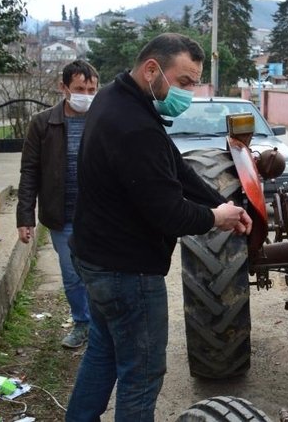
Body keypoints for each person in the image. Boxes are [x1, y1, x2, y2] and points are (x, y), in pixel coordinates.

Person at [65, 33, 252, 421]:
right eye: (184, 82)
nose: (189, 93)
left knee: (103, 351)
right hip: (126, 272)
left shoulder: (118, 99)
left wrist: (221, 202)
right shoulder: (134, 126)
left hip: (96, 260)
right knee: (142, 374)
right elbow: (169, 214)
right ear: (152, 69)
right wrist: (218, 219)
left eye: (195, 83)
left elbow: (175, 167)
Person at [16, 59, 99, 349]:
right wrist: (24, 216)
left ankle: (102, 327)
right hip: (63, 217)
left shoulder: (102, 118)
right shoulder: (42, 123)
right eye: (79, 88)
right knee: (72, 275)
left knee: (102, 273)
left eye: (91, 89)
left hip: (101, 216)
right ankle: (82, 322)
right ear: (63, 87)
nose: (85, 95)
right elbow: (29, 171)